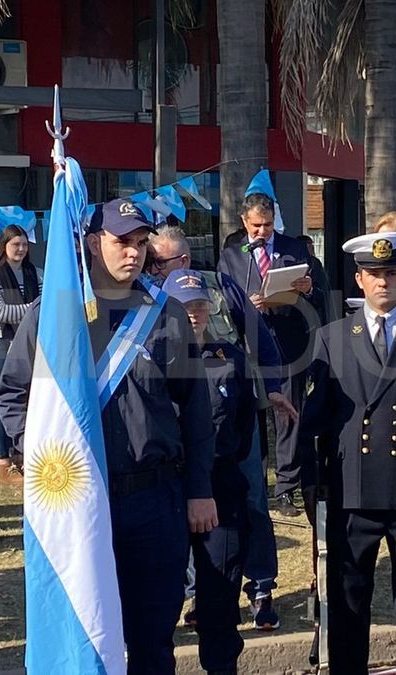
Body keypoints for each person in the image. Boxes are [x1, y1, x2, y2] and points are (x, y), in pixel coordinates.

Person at [0, 198, 216, 673]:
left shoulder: (165, 314)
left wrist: (200, 489)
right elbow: (13, 396)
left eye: (141, 243)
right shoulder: (54, 315)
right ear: (94, 244)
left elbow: (196, 409)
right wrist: (37, 455)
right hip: (78, 504)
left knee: (153, 639)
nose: (133, 253)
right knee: (86, 637)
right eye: (122, 242)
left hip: (154, 498)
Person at [300, 232, 396, 675]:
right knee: (348, 599)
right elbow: (316, 416)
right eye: (375, 274)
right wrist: (305, 478)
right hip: (352, 485)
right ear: (360, 280)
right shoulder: (332, 338)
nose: (383, 283)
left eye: (392, 274)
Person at [149, 225, 289, 629]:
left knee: (251, 505)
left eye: (162, 261)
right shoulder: (151, 297)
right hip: (183, 430)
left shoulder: (222, 290)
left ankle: (261, 587)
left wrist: (275, 388)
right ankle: (198, 594)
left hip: (233, 421)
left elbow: (258, 338)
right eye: (153, 261)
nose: (153, 267)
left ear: (184, 260)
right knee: (190, 511)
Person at [162, 270, 255, 674]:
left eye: (200, 304)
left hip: (221, 489)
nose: (194, 313)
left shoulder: (230, 359)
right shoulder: (150, 359)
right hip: (167, 489)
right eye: (185, 306)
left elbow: (246, 428)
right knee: (160, 604)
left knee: (219, 600)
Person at [217, 193, 324, 521]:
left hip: (288, 345)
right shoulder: (232, 256)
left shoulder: (295, 249)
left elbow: (319, 297)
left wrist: (305, 288)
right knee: (250, 418)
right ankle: (255, 482)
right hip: (246, 349)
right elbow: (221, 302)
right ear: (244, 223)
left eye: (267, 225)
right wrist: (245, 305)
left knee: (287, 416)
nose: (262, 231)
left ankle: (286, 487)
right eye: (256, 226)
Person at [0, 225, 41, 486]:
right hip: (3, 342)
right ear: (4, 246)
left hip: (34, 343)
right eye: (15, 244)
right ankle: (3, 460)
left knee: (32, 399)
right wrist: (35, 309)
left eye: (24, 244)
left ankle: (22, 456)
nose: (21, 249)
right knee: (7, 399)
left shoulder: (36, 272)